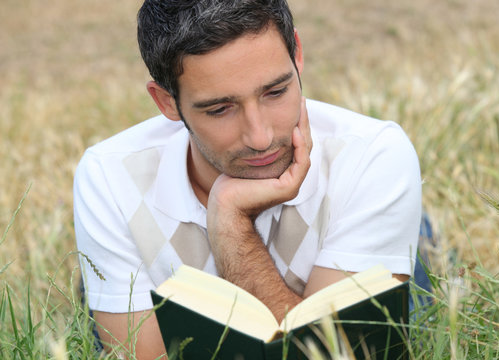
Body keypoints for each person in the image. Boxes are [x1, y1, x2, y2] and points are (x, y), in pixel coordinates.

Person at [74, 0, 422, 358]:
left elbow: (335, 354)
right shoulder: (109, 178)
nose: (260, 137)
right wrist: (229, 213)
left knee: (417, 299)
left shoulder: (372, 155)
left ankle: (420, 236)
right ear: (167, 102)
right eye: (220, 109)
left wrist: (230, 224)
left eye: (275, 92)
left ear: (297, 54)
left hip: (363, 218)